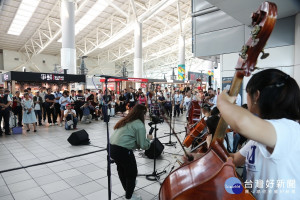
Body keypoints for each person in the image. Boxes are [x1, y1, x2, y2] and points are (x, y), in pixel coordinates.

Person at [218, 69, 300, 199]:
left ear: (256, 95)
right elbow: (234, 159)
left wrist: (222, 101)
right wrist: (202, 159)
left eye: (247, 94)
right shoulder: (261, 136)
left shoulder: (289, 130)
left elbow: (241, 123)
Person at [110, 104, 153, 200]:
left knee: (121, 169)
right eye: (145, 113)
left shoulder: (126, 120)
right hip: (122, 150)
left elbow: (131, 140)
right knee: (132, 173)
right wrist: (149, 139)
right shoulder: (139, 124)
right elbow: (143, 145)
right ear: (142, 114)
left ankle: (128, 187)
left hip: (111, 148)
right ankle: (129, 196)